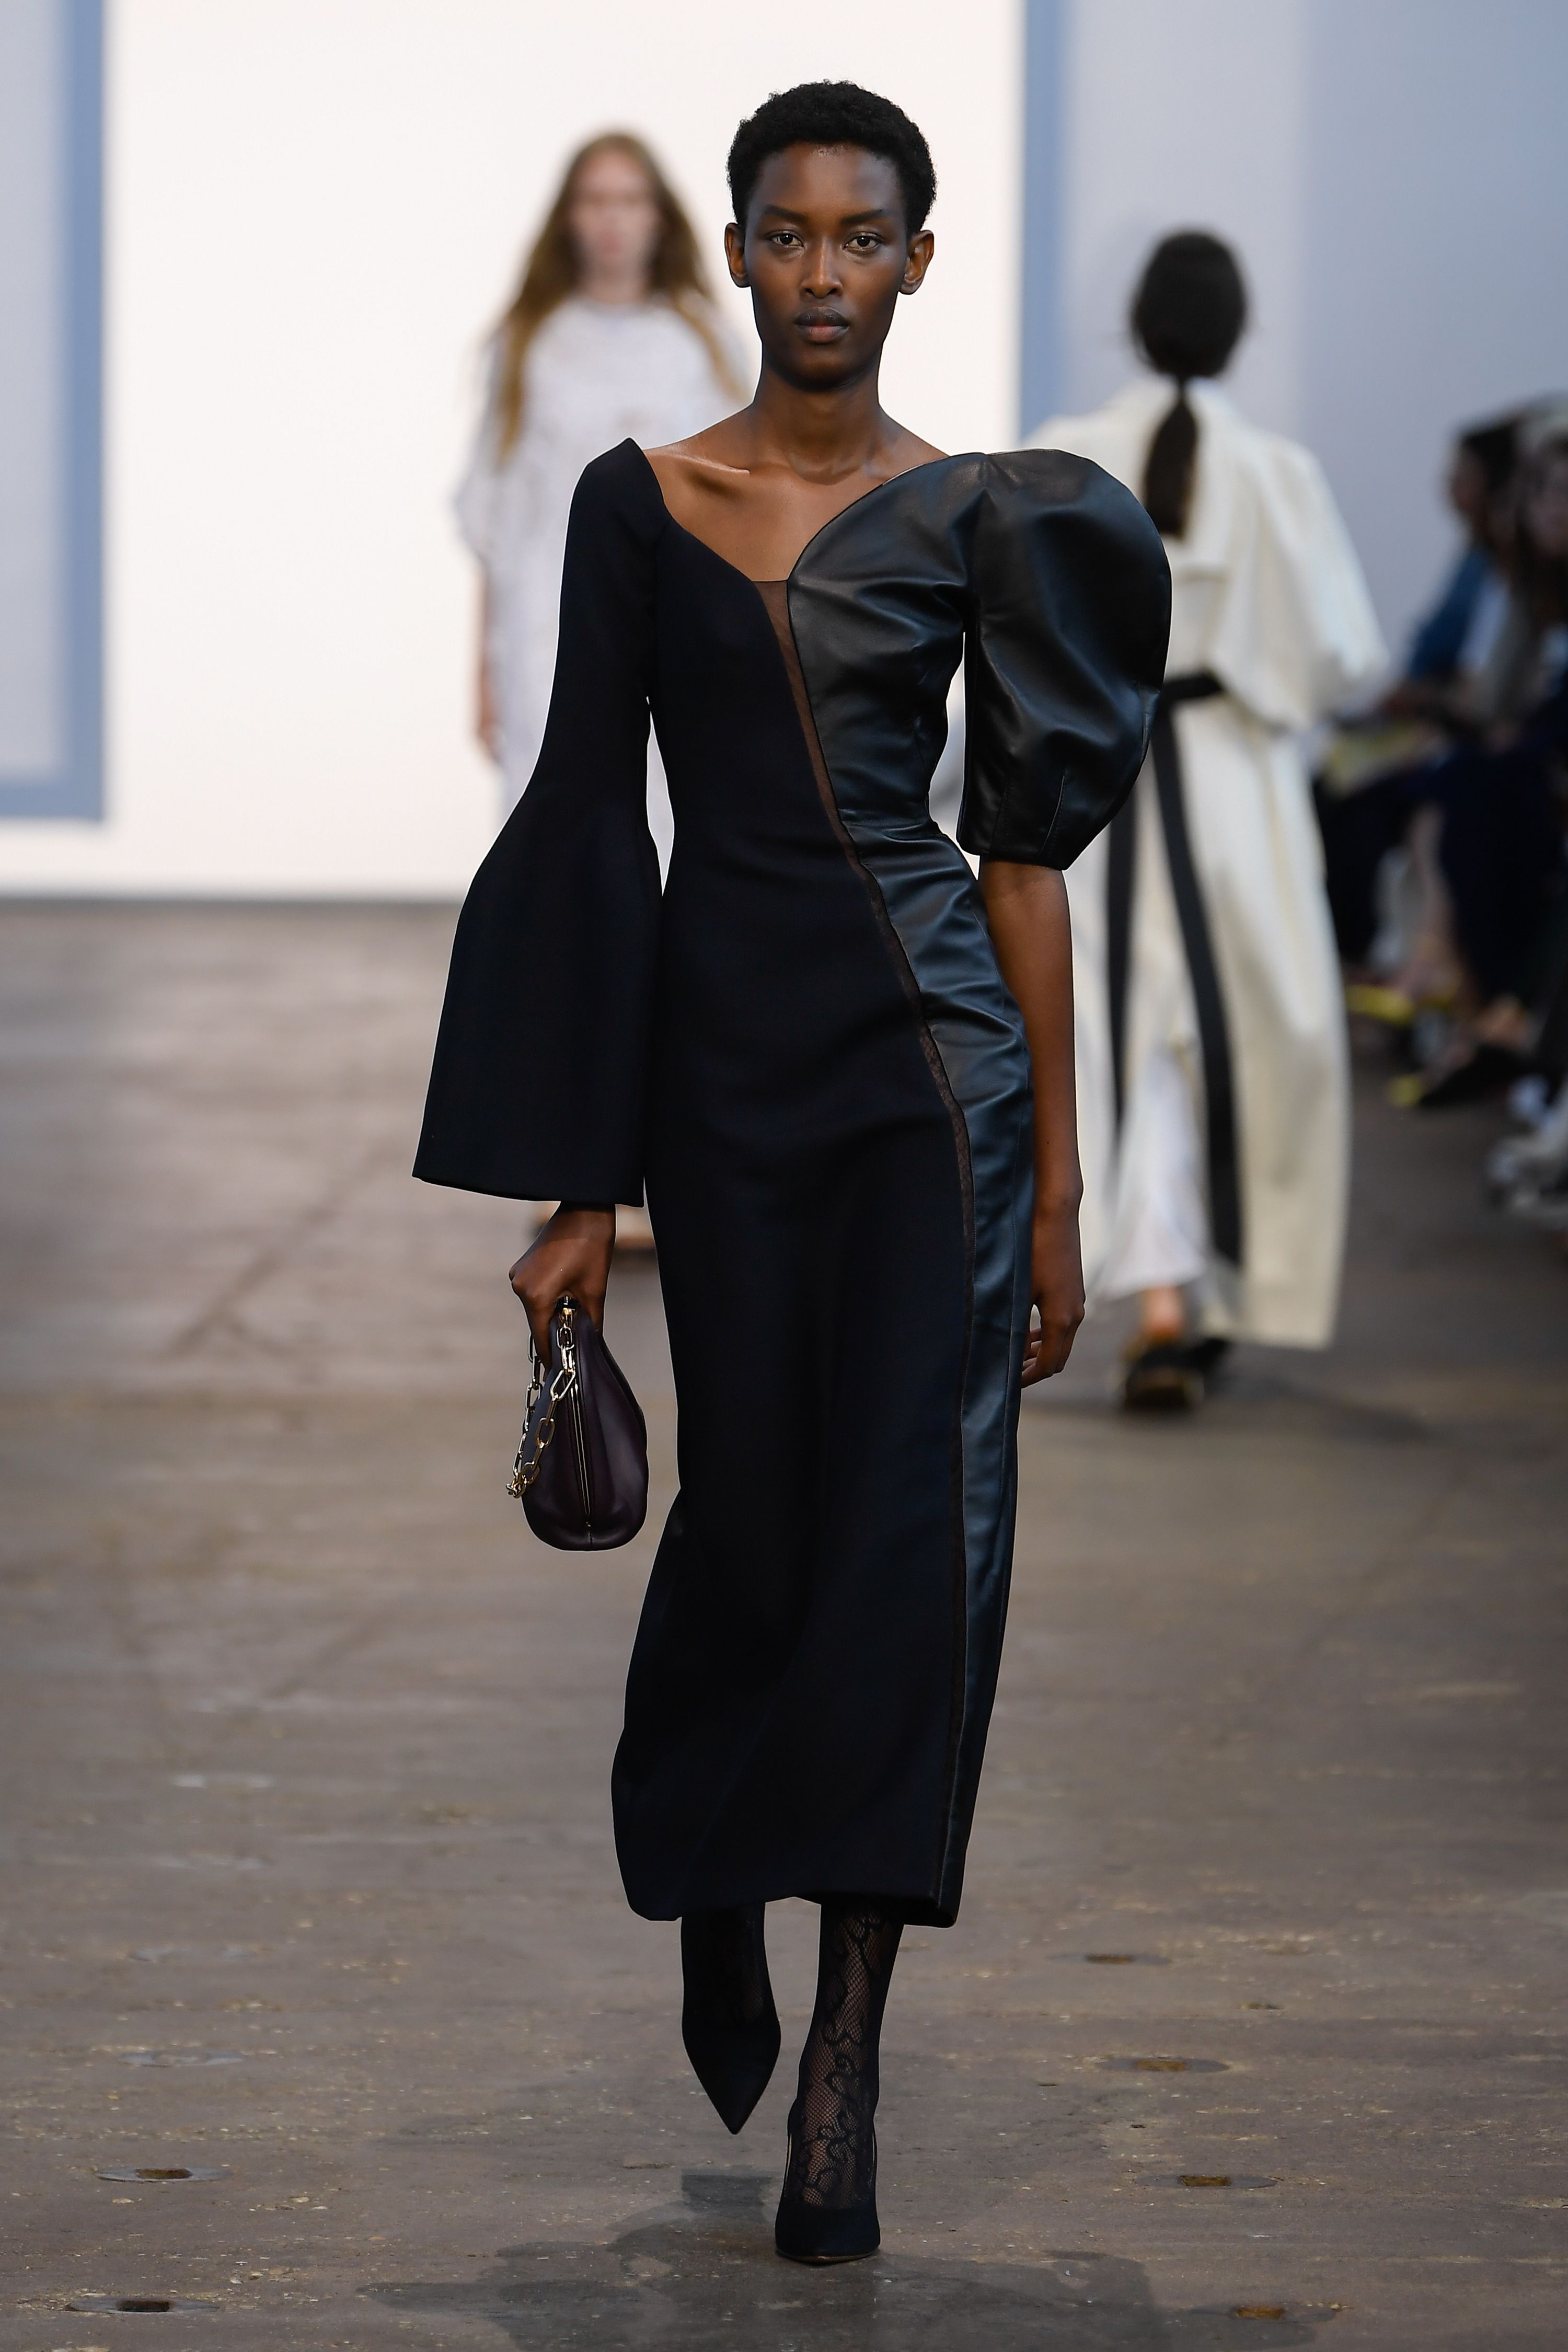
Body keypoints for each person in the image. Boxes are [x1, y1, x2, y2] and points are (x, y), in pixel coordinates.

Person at [416, 83, 1167, 2261]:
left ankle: (846, 2070)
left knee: (915, 1554)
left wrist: (1056, 1193)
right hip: (728, 1090)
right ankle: (716, 1882)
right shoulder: (637, 504)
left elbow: (1018, 866)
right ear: (738, 258)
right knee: (748, 1522)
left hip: (929, 1081)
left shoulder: (984, 516)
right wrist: (577, 1180)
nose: (826, 272)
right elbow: (584, 827)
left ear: (918, 263)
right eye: (791, 236)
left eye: (867, 238)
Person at [1029, 233, 1385, 1409]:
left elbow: (1007, 638)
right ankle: (1196, 1299)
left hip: (1099, 785)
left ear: (1136, 325)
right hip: (1234, 783)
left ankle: (1167, 1297)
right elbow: (1342, 659)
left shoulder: (1067, 459)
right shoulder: (1276, 473)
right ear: (1238, 335)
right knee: (1228, 1045)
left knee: (1113, 1038)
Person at [457, 133, 742, 827]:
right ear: (569, 217)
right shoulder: (530, 343)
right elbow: (497, 516)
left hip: (672, 621)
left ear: (658, 216)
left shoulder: (701, 342)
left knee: (666, 822)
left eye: (630, 200)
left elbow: (739, 503)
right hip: (544, 625)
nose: (613, 219)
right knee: (550, 825)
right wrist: (483, 672)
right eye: (596, 201)